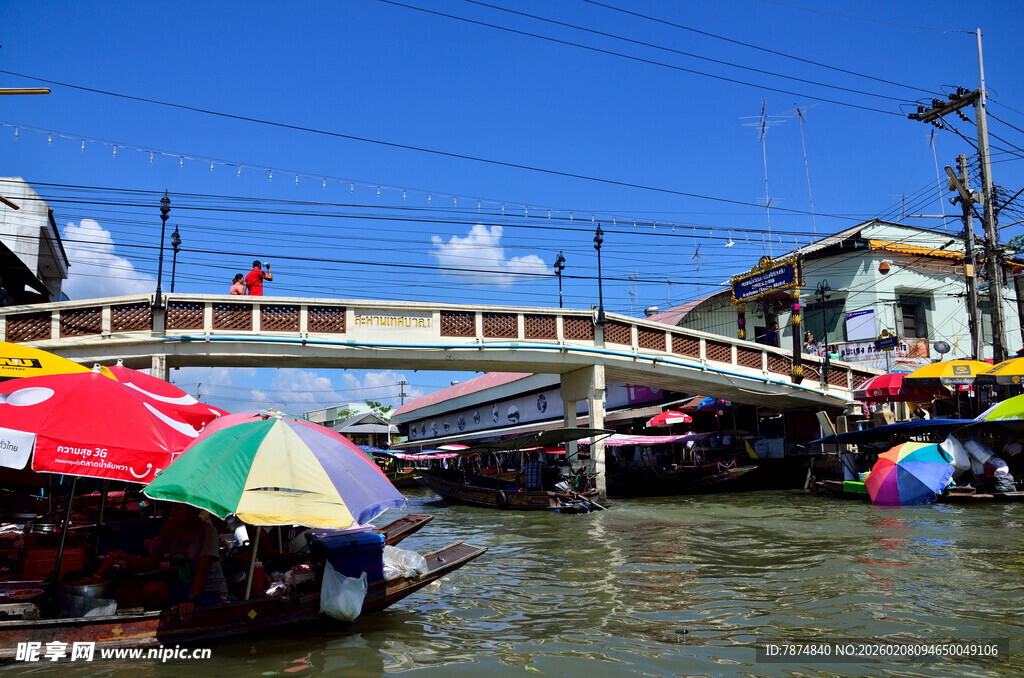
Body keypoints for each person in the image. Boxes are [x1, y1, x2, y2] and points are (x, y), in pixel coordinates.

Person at [103, 504, 228, 620]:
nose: (173, 512)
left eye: (178, 509)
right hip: (183, 588)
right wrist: (126, 560)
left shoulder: (207, 531)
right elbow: (150, 563)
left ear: (192, 512)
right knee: (150, 591)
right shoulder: (171, 527)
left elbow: (202, 571)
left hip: (209, 591)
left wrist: (191, 600)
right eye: (173, 508)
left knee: (183, 610)